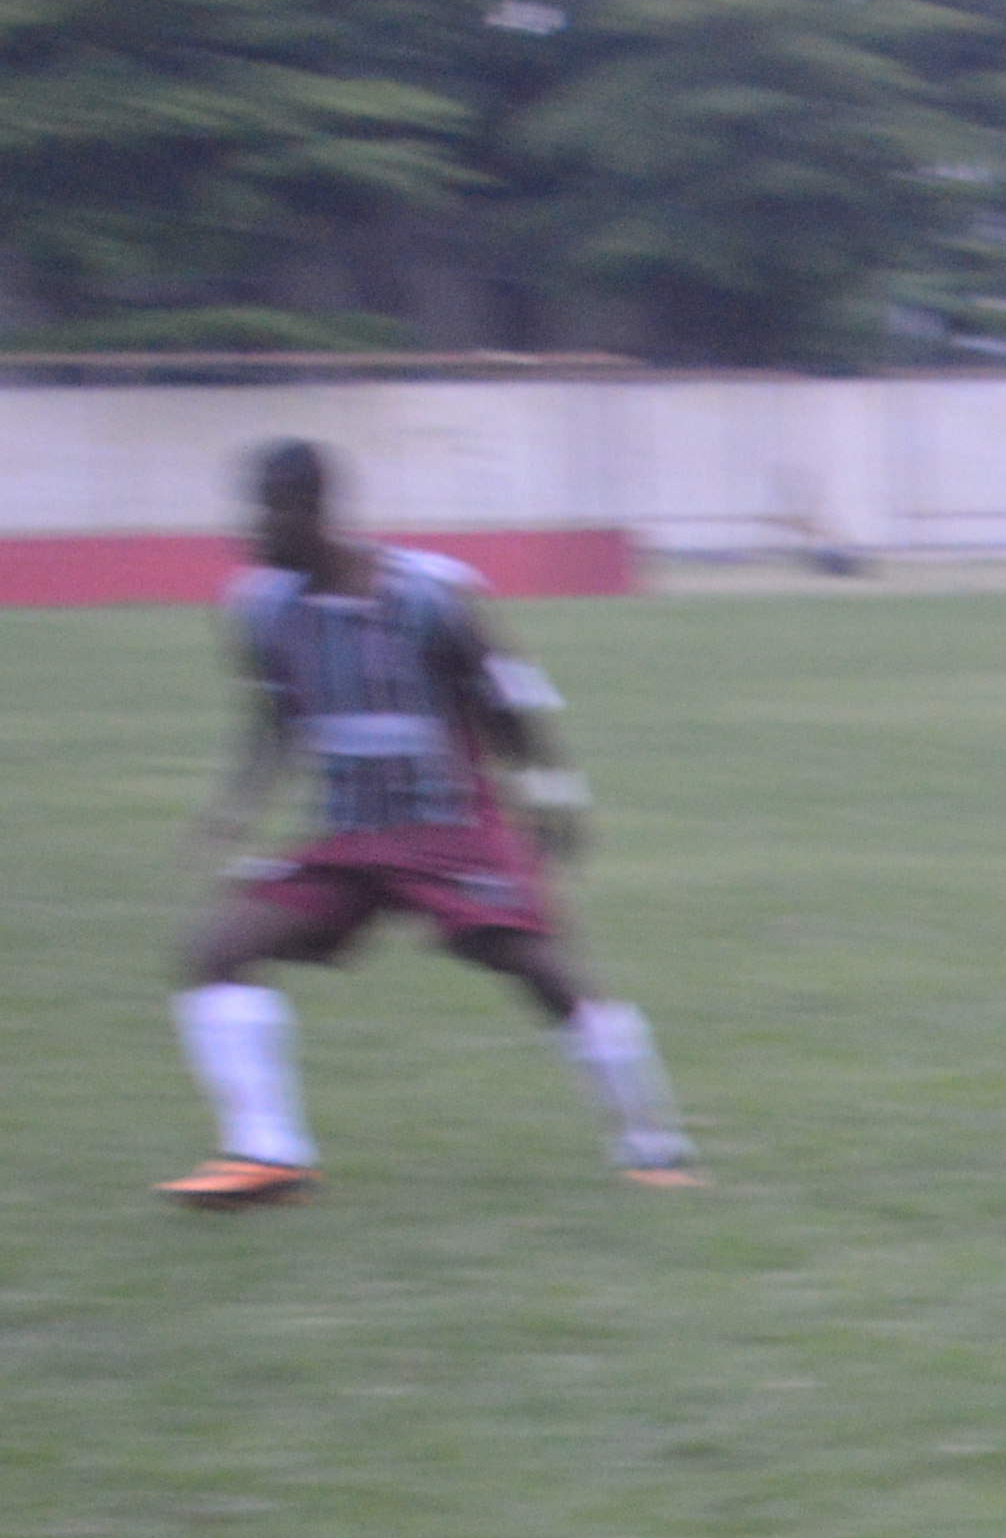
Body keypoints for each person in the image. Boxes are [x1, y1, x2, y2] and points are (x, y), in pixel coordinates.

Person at [159, 440, 692, 1208]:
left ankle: (654, 1147)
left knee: (542, 973)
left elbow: (507, 699)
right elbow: (273, 717)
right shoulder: (262, 606)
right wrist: (231, 811)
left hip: (447, 828)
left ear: (314, 509)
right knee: (217, 949)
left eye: (267, 510)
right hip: (350, 835)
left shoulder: (430, 595)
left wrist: (552, 792)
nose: (251, 529)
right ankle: (268, 1154)